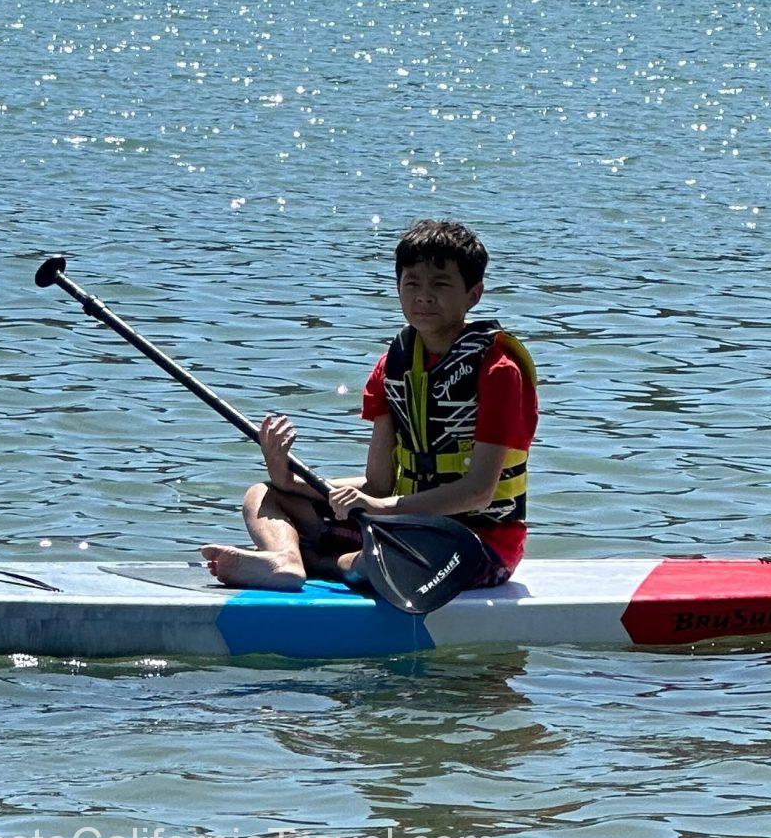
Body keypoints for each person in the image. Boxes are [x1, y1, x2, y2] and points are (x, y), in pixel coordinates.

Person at [200, 218, 536, 593]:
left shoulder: (499, 372)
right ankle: (286, 558)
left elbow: (479, 492)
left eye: (440, 284)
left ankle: (320, 560)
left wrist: (376, 509)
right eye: (412, 283)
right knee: (263, 494)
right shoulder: (391, 367)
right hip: (402, 526)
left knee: (387, 560)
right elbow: (377, 483)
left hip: (480, 544)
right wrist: (289, 480)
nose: (423, 296)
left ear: (473, 294)